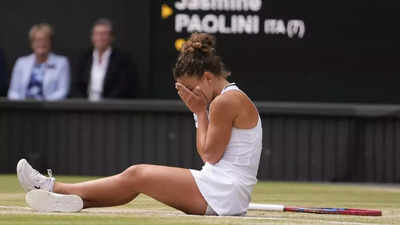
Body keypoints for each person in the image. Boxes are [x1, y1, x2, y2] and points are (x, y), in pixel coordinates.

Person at [16, 33, 262, 216]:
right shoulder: (227, 99)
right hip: (223, 192)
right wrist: (201, 112)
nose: (187, 94)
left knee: (137, 174)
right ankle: (72, 199)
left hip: (223, 195)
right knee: (136, 178)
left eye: (189, 87)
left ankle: (53, 186)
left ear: (208, 77)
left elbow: (210, 154)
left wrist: (199, 113)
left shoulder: (224, 102)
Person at [70, 18, 136, 100]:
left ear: (112, 37)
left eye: (104, 34)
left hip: (111, 107)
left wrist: (104, 105)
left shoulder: (123, 59)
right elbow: (76, 85)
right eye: (96, 34)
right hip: (85, 107)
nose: (100, 37)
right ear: (92, 37)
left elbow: (123, 86)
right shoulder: (83, 57)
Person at [8, 23, 70, 100]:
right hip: (22, 108)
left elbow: (62, 91)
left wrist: (43, 105)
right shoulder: (21, 62)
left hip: (50, 109)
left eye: (45, 40)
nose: (41, 43)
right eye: (37, 40)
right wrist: (21, 105)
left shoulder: (61, 62)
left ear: (50, 42)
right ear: (32, 43)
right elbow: (13, 91)